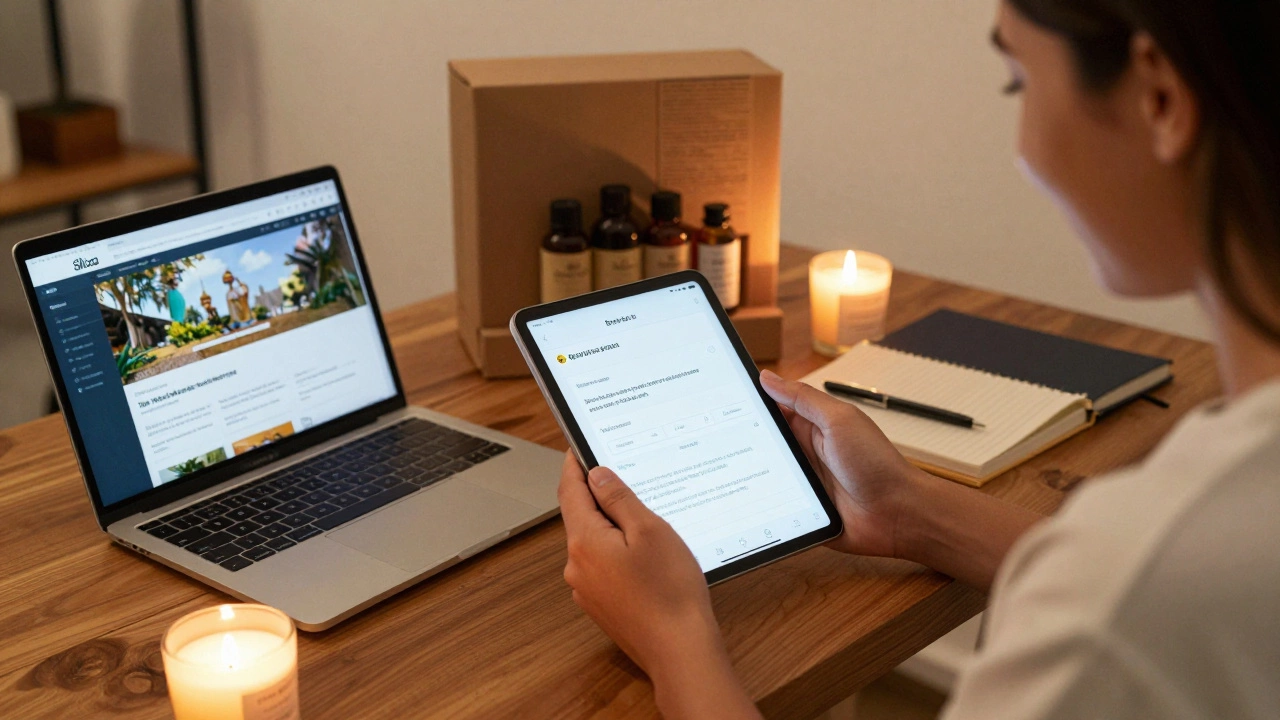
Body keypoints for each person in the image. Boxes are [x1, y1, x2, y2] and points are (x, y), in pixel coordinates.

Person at [557, 2, 1280, 718]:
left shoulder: (1128, 603)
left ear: (1160, 99)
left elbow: (1129, 591)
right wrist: (910, 512)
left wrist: (674, 637)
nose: (1023, 152)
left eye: (1018, 82)